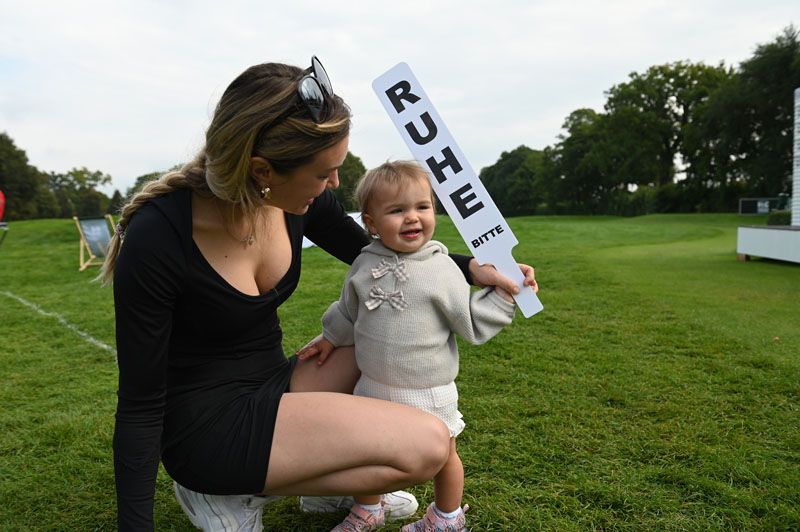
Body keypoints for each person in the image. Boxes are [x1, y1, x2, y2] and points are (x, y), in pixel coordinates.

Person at [101, 56, 537, 531]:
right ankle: (222, 490)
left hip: (276, 385)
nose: (335, 184)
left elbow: (377, 254)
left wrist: (472, 269)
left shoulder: (291, 198)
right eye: (324, 172)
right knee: (429, 445)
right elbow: (140, 405)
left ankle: (320, 481)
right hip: (208, 428)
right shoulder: (158, 237)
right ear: (262, 170)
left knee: (380, 342)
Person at [300, 161, 526, 532]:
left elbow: (471, 322)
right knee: (366, 450)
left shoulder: (442, 269)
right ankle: (368, 509)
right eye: (397, 210)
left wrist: (503, 296)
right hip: (372, 385)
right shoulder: (364, 263)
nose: (412, 217)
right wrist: (331, 337)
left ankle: (446, 518)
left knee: (445, 455)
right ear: (371, 223)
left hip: (429, 391)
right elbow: (349, 310)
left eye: (422, 207)